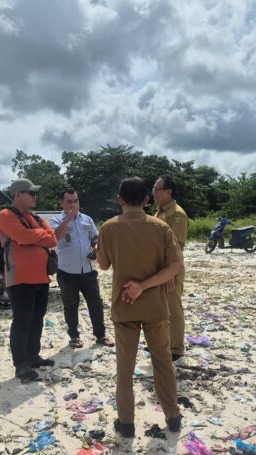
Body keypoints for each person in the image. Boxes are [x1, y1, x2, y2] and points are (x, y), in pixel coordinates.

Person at [97, 177, 183, 438]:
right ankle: (173, 415)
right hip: (155, 307)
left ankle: (126, 422)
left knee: (125, 368)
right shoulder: (161, 227)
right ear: (146, 200)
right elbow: (174, 266)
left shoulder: (108, 228)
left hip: (124, 307)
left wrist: (133, 285)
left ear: (120, 199)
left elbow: (103, 265)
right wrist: (144, 286)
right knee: (163, 362)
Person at [0, 178, 57, 381]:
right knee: (22, 320)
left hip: (41, 278)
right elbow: (22, 237)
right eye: (31, 193)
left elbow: (52, 239)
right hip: (20, 278)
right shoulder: (5, 215)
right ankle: (21, 364)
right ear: (17, 195)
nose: (34, 196)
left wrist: (32, 236)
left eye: (34, 193)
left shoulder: (35, 217)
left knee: (37, 319)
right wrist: (37, 236)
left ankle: (33, 356)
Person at [49, 190, 113, 349]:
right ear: (61, 204)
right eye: (69, 201)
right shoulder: (56, 220)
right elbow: (54, 238)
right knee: (70, 305)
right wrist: (69, 219)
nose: (74, 205)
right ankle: (74, 336)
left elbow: (95, 239)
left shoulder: (87, 220)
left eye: (76, 201)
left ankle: (101, 335)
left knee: (95, 304)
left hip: (88, 271)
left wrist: (96, 248)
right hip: (67, 273)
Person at [152, 175, 189, 361]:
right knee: (160, 309)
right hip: (158, 269)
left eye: (157, 189)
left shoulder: (177, 214)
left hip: (170, 270)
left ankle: (176, 349)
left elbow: (177, 248)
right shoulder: (159, 213)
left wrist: (169, 275)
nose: (154, 193)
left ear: (169, 192)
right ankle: (163, 344)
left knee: (173, 310)